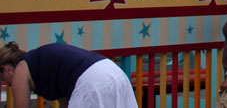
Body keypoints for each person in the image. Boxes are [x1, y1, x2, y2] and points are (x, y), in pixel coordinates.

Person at [0, 41, 137, 108]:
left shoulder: (20, 70)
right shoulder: (39, 64)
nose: (8, 84)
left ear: (6, 69)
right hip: (112, 72)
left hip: (91, 81)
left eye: (3, 79)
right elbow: (66, 102)